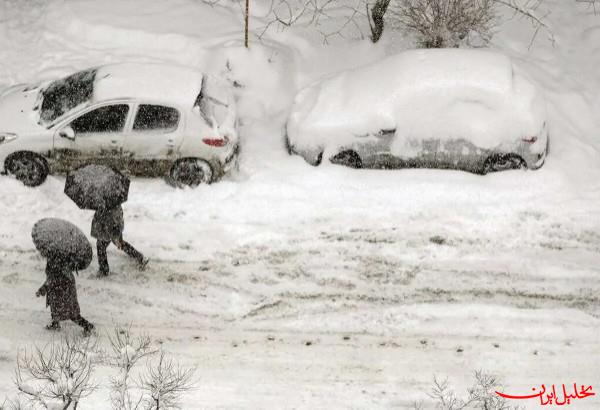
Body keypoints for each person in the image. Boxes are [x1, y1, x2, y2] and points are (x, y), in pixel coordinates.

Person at [36, 254, 93, 334]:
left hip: (62, 289)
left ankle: (87, 326)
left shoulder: (54, 259)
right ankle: (55, 323)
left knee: (70, 312)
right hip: (65, 287)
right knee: (56, 307)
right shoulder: (62, 256)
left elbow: (51, 279)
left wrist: (42, 290)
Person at [92, 204, 148, 276]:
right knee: (116, 243)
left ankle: (104, 270)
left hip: (109, 224)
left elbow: (112, 214)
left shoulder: (107, 202)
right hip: (110, 222)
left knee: (102, 245)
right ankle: (140, 258)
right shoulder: (113, 200)